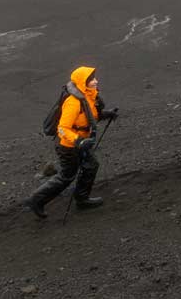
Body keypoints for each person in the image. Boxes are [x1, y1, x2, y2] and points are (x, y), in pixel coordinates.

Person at [24, 66, 118, 219]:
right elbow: (62, 129)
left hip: (81, 143)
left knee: (91, 166)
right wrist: (79, 141)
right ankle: (35, 200)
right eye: (91, 79)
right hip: (68, 146)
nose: (96, 81)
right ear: (82, 82)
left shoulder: (89, 96)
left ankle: (82, 199)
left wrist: (107, 114)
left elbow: (89, 117)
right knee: (67, 176)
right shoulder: (73, 102)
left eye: (94, 78)